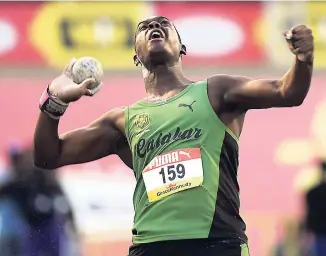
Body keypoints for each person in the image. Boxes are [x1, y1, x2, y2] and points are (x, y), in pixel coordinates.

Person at [34, 16, 314, 256]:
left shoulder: (216, 92)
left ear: (181, 48)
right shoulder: (122, 121)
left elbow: (286, 92)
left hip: (217, 243)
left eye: (164, 24)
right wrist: (54, 102)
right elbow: (48, 156)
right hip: (151, 246)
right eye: (145, 27)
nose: (155, 27)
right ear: (135, 55)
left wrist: (303, 59)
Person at [305, 161, 326, 256]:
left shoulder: (312, 192)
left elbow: (310, 215)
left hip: (319, 234)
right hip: (320, 235)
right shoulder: (312, 193)